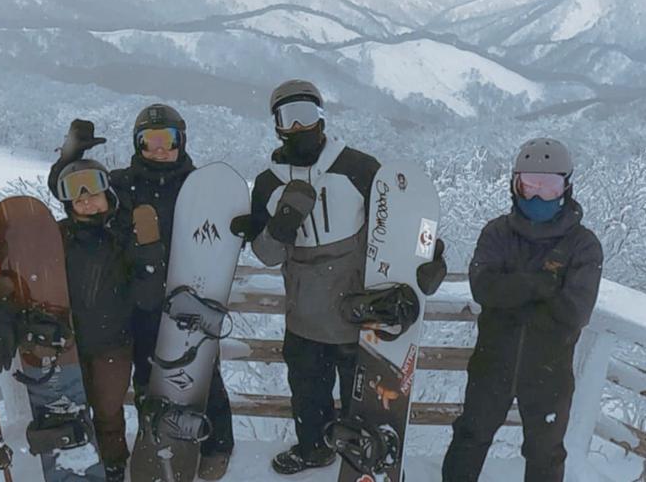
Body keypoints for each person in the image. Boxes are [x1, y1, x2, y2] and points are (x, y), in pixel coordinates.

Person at [231, 80, 446, 475]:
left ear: (322, 117)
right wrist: (279, 227)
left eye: (307, 115)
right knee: (307, 390)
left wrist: (428, 253)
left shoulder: (359, 168)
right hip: (304, 311)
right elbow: (265, 255)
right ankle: (313, 448)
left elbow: (401, 217)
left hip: (357, 308)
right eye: (289, 118)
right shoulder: (267, 183)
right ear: (276, 126)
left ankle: (359, 455)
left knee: (358, 394)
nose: (299, 127)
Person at [49, 109, 235, 479]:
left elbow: (226, 221)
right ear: (137, 144)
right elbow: (80, 192)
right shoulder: (121, 183)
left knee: (201, 371)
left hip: (189, 294)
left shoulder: (198, 186)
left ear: (181, 141)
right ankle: (156, 446)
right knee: (148, 380)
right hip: (136, 296)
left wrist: (239, 227)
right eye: (148, 141)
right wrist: (66, 160)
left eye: (168, 140)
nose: (159, 149)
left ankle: (217, 445)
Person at [441, 138, 604, 482]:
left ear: (567, 187)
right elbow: (483, 287)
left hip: (549, 371)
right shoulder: (498, 232)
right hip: (492, 363)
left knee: (545, 452)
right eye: (529, 185)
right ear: (515, 184)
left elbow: (575, 311)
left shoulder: (582, 244)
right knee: (470, 436)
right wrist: (540, 285)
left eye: (549, 187)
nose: (537, 196)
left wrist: (511, 294)